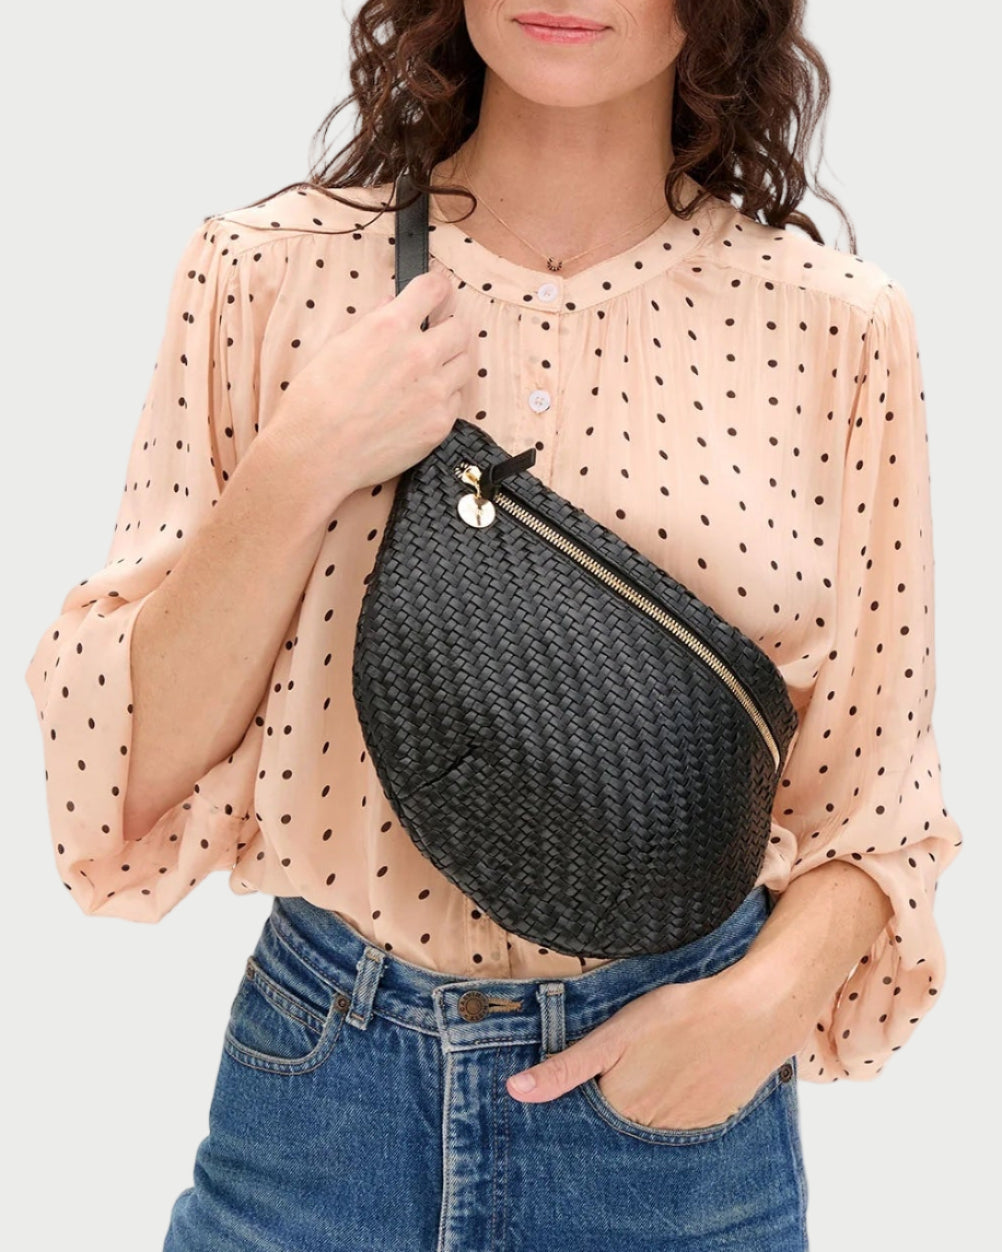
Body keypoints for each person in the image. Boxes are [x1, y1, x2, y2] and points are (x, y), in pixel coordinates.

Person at [24, 1, 962, 1248]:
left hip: (671, 1135)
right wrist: (305, 459)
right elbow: (117, 782)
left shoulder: (834, 326)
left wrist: (749, 1015)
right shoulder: (267, 272)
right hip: (321, 1108)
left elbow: (875, 807)